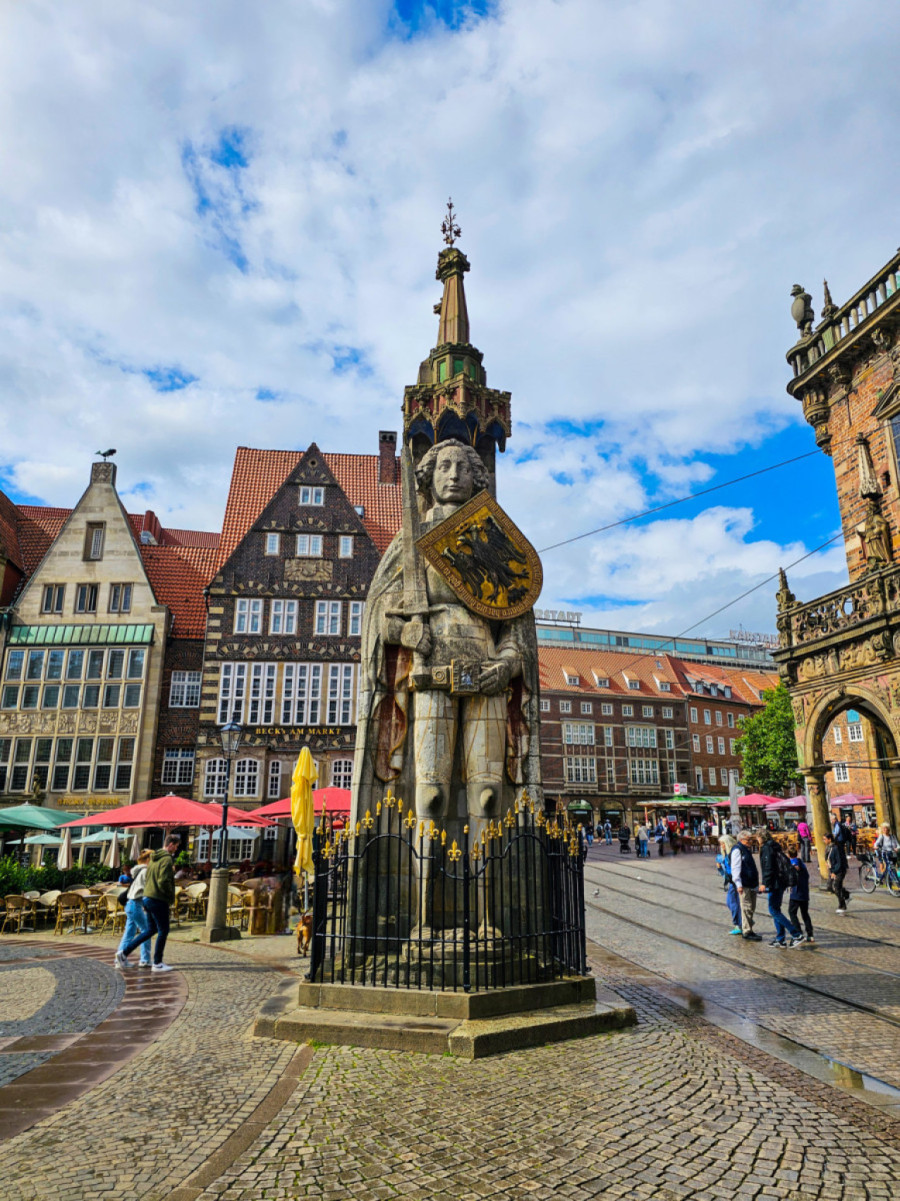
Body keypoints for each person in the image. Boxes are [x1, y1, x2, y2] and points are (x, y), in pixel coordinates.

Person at [116, 834, 180, 971]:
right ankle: (157, 963)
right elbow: (164, 880)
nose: (176, 849)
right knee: (163, 930)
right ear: (171, 844)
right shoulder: (167, 859)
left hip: (146, 898)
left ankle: (124, 953)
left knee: (150, 930)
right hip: (158, 898)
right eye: (176, 846)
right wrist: (169, 895)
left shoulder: (153, 858)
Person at [759, 830, 803, 947]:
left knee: (773, 910)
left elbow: (768, 867)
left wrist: (764, 883)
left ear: (761, 838)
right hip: (780, 882)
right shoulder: (775, 846)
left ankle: (796, 934)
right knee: (776, 910)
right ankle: (780, 939)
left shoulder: (767, 848)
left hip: (775, 883)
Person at [118, 850, 152, 968]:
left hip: (129, 904)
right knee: (146, 931)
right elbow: (148, 890)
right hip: (136, 904)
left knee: (129, 933)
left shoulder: (137, 871)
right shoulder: (146, 871)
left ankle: (120, 959)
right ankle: (145, 959)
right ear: (148, 860)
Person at [730, 831, 762, 940]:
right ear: (741, 840)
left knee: (751, 907)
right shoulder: (737, 850)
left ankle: (749, 929)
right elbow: (735, 868)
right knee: (746, 907)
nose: (750, 842)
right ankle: (746, 931)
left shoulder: (746, 850)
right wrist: (738, 884)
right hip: (744, 884)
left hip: (751, 883)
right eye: (748, 840)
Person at [717, 835, 742, 935]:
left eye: (723, 843)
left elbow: (734, 869)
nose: (721, 846)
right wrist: (719, 868)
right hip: (732, 881)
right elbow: (724, 872)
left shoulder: (733, 853)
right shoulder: (725, 855)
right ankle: (741, 920)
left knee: (732, 902)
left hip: (736, 881)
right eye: (720, 844)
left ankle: (739, 923)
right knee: (730, 902)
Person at [788, 855, 814, 943]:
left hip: (796, 894)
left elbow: (791, 879)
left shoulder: (792, 866)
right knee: (805, 914)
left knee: (792, 913)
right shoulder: (803, 865)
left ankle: (798, 932)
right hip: (804, 893)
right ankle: (810, 934)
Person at [826, 832, 850, 914]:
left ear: (829, 839)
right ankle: (846, 895)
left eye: (825, 839)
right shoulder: (829, 847)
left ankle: (842, 905)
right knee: (829, 886)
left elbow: (839, 861)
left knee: (836, 887)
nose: (824, 841)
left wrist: (835, 872)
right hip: (832, 869)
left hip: (839, 870)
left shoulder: (836, 848)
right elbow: (828, 857)